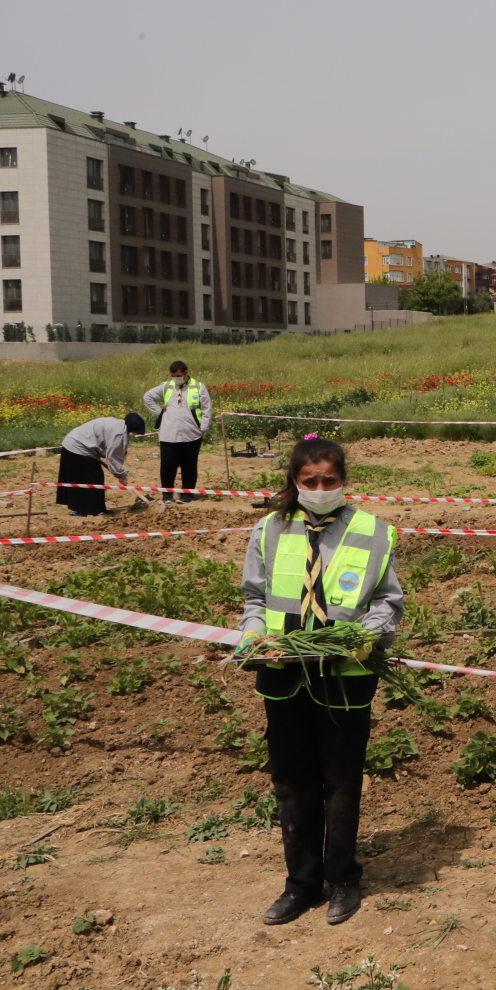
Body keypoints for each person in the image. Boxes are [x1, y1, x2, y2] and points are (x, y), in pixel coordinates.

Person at [235, 436, 404, 927]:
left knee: (342, 780)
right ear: (294, 481)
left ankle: (343, 878)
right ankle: (301, 884)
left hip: (345, 676)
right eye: (310, 481)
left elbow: (387, 603)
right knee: (291, 781)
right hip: (284, 674)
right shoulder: (269, 529)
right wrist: (252, 636)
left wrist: (365, 637)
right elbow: (254, 599)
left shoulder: (373, 532)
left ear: (343, 481)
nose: (320, 488)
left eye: (329, 481)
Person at [142, 360, 214, 503]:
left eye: (178, 375)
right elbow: (147, 397)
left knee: (189, 465)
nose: (176, 378)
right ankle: (167, 495)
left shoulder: (199, 387)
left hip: (192, 433)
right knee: (168, 464)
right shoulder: (167, 386)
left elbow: (207, 408)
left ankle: (187, 494)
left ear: (186, 373)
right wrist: (159, 414)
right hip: (169, 433)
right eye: (173, 376)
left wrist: (203, 427)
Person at [55, 413, 144, 517]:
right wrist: (120, 474)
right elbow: (112, 456)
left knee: (93, 478)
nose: (135, 435)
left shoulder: (119, 425)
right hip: (78, 447)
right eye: (136, 433)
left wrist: (119, 473)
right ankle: (90, 511)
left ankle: (96, 509)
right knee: (91, 479)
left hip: (80, 446)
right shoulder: (118, 433)